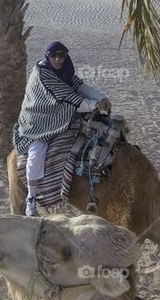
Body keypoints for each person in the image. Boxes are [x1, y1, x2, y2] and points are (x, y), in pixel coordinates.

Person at [13, 41, 112, 217]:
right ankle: (32, 198)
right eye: (54, 56)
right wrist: (94, 105)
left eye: (61, 56)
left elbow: (79, 87)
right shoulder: (43, 75)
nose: (58, 59)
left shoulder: (65, 70)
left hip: (59, 115)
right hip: (38, 121)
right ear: (47, 56)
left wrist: (101, 98)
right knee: (37, 153)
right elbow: (68, 98)